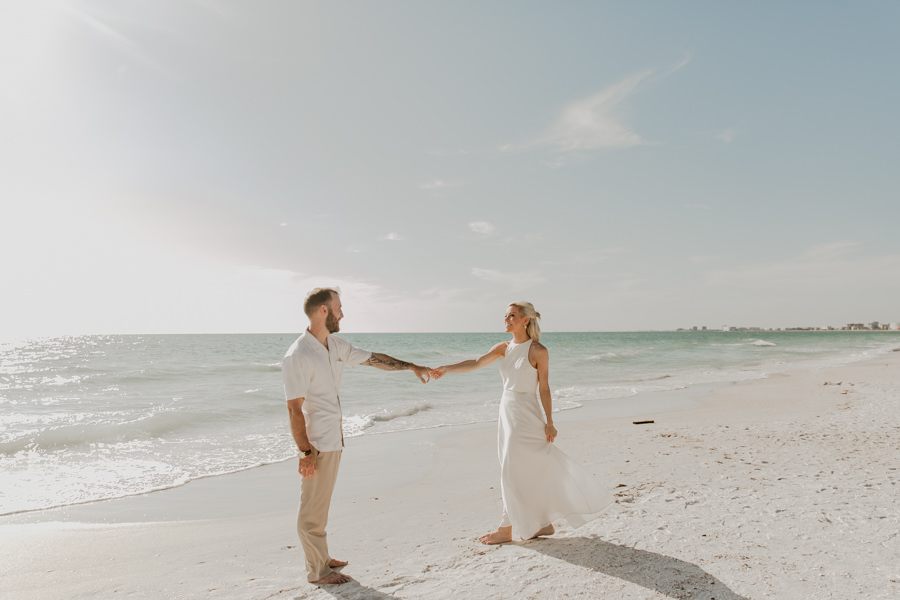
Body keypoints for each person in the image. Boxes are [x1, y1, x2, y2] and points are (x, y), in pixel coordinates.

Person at [282, 287, 434, 584]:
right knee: (311, 508)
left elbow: (374, 359)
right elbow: (293, 409)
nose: (342, 312)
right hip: (316, 443)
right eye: (338, 307)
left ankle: (322, 558)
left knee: (321, 503)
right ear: (323, 310)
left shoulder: (335, 345)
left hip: (334, 439)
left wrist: (411, 366)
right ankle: (317, 571)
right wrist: (304, 452)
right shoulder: (298, 355)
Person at [433, 301, 613, 544]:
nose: (506, 320)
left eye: (512, 316)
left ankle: (506, 529)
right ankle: (542, 523)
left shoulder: (538, 351)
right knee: (518, 469)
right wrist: (445, 368)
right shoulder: (503, 348)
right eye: (506, 316)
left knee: (512, 469)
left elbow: (545, 388)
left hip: (527, 415)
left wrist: (550, 421)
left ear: (525, 320)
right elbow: (476, 363)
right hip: (507, 413)